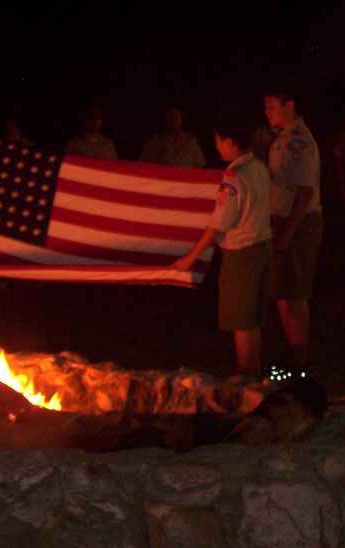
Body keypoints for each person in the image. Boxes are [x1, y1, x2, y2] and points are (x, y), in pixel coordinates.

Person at [173, 124, 272, 377]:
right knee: (252, 319)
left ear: (230, 142)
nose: (216, 146)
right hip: (261, 248)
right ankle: (255, 375)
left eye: (218, 141)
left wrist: (189, 258)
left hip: (242, 253)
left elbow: (218, 224)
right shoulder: (259, 168)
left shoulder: (234, 176)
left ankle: (246, 378)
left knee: (242, 321)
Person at [264, 88, 323, 371]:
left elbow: (305, 192)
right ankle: (290, 358)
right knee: (283, 293)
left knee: (294, 294)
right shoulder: (281, 140)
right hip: (283, 221)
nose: (267, 112)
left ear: (289, 105)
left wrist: (287, 232)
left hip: (298, 222)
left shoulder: (300, 142)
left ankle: (298, 364)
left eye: (271, 106)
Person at [140, 108, 206, 168]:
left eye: (176, 117)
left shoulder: (191, 142)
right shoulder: (155, 142)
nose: (173, 120)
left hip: (184, 179)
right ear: (165, 119)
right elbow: (144, 164)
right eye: (170, 116)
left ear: (181, 119)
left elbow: (199, 164)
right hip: (164, 179)